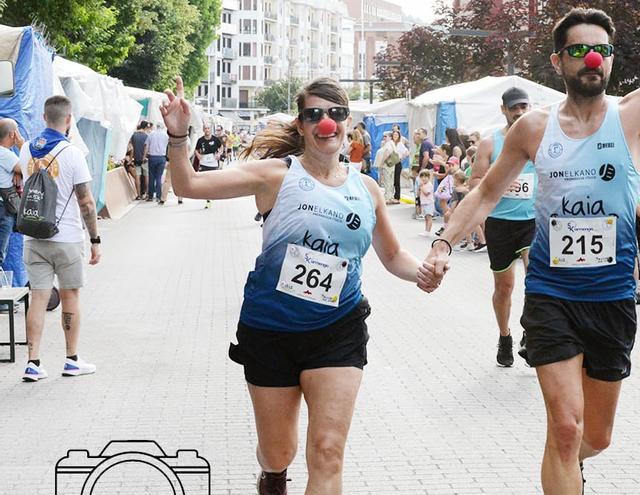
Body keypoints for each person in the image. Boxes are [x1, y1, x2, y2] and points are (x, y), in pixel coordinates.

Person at [424, 4, 640, 491]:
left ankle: (568, 462)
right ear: (558, 61)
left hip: (610, 299)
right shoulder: (533, 128)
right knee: (566, 429)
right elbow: (485, 191)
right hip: (551, 296)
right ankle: (564, 460)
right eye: (580, 50)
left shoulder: (636, 113)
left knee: (596, 437)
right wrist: (443, 242)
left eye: (602, 50)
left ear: (611, 60)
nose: (592, 59)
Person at [160, 76, 442, 493]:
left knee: (328, 451)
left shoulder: (366, 189)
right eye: (314, 115)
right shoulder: (276, 175)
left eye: (335, 113)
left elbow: (393, 255)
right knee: (278, 451)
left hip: (338, 330)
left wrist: (422, 272)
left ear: (347, 122)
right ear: (301, 125)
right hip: (271, 331)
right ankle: (273, 474)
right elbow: (188, 185)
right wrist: (179, 135)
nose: (325, 123)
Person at [19, 96, 102, 382]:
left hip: (33, 236)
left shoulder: (26, 150)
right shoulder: (73, 153)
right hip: (66, 238)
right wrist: (95, 239)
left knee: (38, 297)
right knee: (70, 296)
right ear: (69, 120)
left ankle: (33, 362)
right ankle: (71, 359)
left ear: (44, 117)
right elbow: (87, 202)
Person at [469, 87, 538, 367]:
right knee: (504, 287)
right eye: (513, 108)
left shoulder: (539, 140)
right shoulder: (489, 144)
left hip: (532, 221)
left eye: (523, 107)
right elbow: (474, 181)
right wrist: (494, 187)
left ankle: (529, 331)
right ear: (503, 110)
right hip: (500, 223)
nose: (519, 112)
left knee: (536, 279)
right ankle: (505, 336)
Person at [0, 118, 24, 265]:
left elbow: (20, 168)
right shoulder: (4, 154)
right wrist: (23, 146)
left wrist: (17, 171)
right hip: (3, 209)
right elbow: (31, 168)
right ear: (12, 134)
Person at [195, 125, 224, 209]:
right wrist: (198, 155)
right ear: (203, 130)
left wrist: (219, 154)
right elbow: (196, 150)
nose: (207, 130)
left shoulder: (215, 139)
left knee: (213, 180)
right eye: (205, 128)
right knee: (204, 181)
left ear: (210, 130)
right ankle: (207, 199)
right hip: (204, 162)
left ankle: (212, 194)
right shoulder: (200, 140)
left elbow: (221, 147)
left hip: (213, 162)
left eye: (208, 128)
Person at [144, 124, 169, 202]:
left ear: (156, 126)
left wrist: (144, 156)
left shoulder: (151, 134)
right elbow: (169, 146)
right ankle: (158, 196)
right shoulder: (166, 135)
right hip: (162, 158)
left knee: (151, 177)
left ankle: (150, 196)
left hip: (152, 157)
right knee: (159, 177)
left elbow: (146, 146)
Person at [130, 121, 149, 199]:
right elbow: (147, 148)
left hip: (136, 159)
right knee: (146, 176)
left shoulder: (134, 135)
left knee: (137, 176)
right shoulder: (147, 136)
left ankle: (138, 195)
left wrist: (131, 159)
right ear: (145, 127)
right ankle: (146, 194)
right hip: (144, 159)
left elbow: (132, 148)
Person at [417, 169, 435, 237]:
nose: (423, 178)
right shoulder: (422, 185)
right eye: (422, 177)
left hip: (429, 203)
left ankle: (428, 231)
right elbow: (419, 194)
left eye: (425, 177)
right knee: (426, 217)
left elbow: (426, 193)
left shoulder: (429, 185)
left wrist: (421, 187)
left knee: (429, 217)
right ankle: (426, 230)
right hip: (424, 203)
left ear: (428, 177)